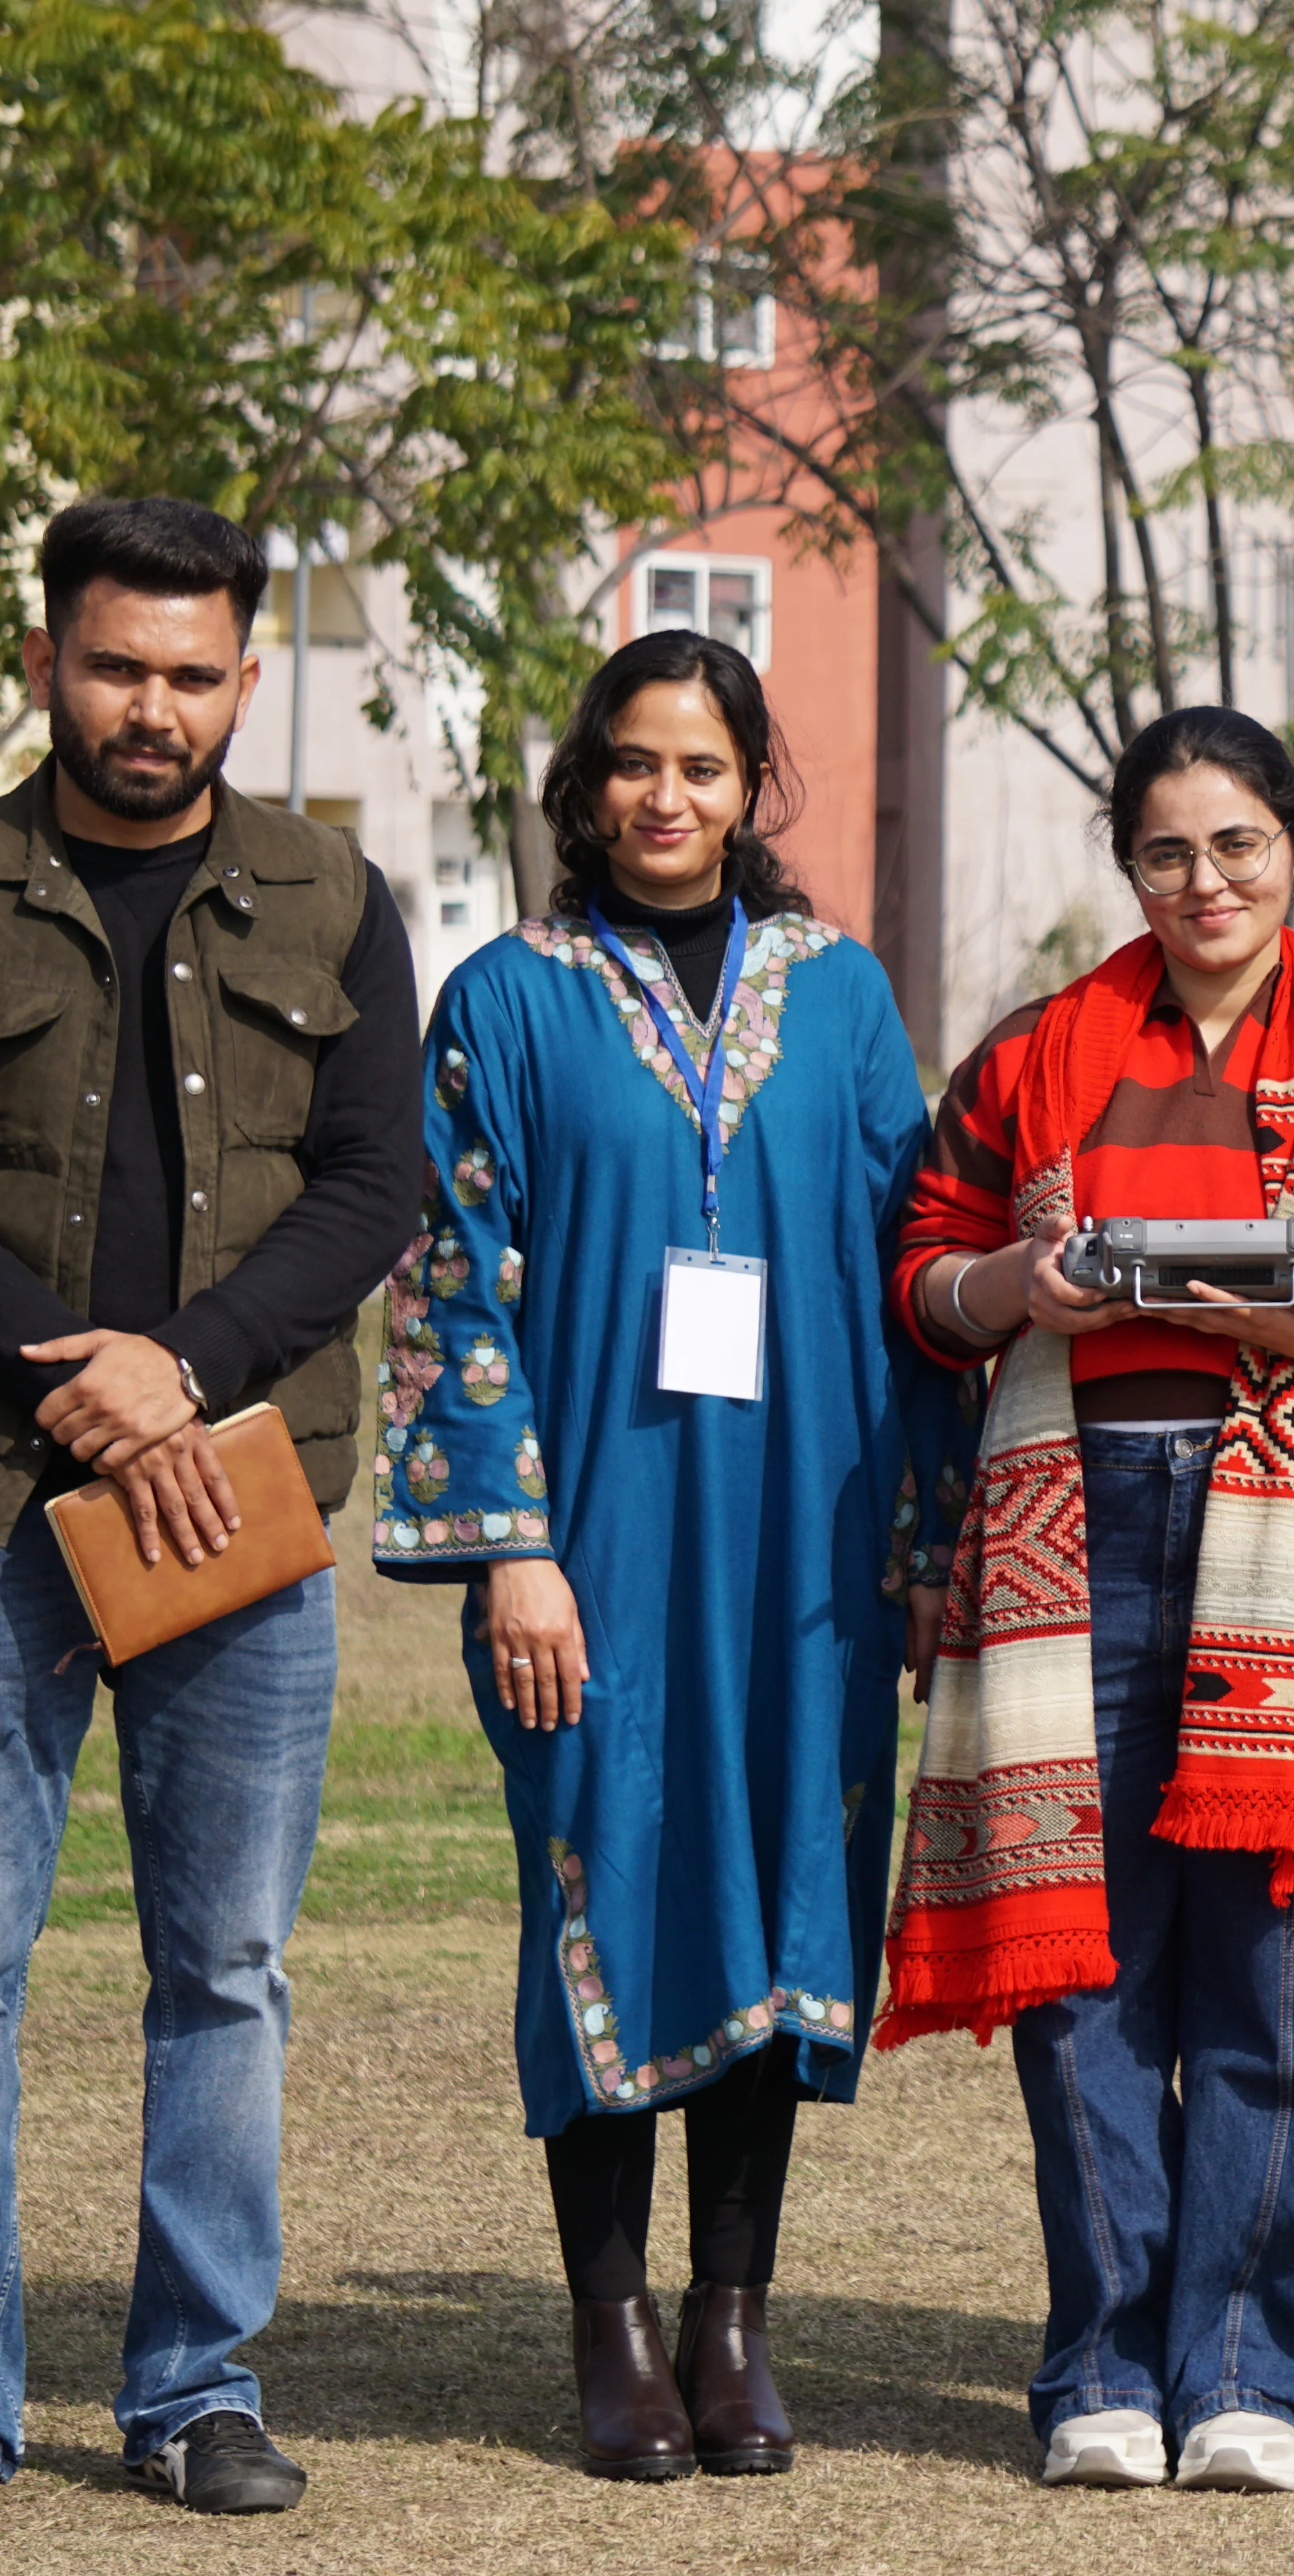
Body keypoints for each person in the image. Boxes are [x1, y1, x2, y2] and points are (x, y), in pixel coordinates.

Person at [0, 497, 424, 2531]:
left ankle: (194, 2387)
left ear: (245, 677)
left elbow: (369, 1186)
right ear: (47, 663)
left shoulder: (334, 898)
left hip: (235, 1515)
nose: (150, 706)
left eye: (190, 671)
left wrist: (191, 1365)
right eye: (115, 665)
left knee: (226, 1966)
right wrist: (84, 1368)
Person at [883, 706, 1294, 2499]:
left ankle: (1249, 2367)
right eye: (1168, 851)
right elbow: (923, 1269)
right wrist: (1019, 1283)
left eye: (1237, 844)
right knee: (1088, 1962)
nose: (1204, 881)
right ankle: (1100, 2366)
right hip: (1072, 1522)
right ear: (1127, 864)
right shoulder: (1040, 1054)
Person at [371, 631, 963, 2480]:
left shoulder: (847, 999)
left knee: (790, 1889)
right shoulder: (503, 1001)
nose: (667, 799)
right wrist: (512, 1550)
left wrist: (933, 1533)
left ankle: (733, 2325)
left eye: (703, 767)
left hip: (813, 1548)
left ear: (750, 781)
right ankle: (610, 2324)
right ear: (586, 781)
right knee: (611, 1891)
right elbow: (450, 1279)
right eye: (635, 764)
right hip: (598, 1552)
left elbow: (914, 1264)